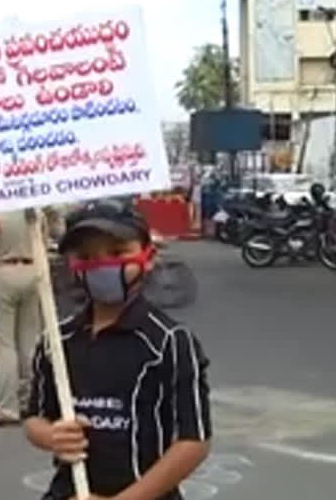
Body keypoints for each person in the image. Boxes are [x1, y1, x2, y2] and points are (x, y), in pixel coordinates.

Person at [22, 199, 212, 500]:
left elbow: (193, 441)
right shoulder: (57, 342)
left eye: (117, 252)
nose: (102, 265)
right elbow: (35, 417)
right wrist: (51, 435)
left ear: (148, 256)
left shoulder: (169, 342)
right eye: (86, 256)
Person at [0, 208, 48, 425]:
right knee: (30, 340)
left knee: (4, 344)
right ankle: (31, 400)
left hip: (2, 273)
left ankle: (6, 406)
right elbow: (43, 242)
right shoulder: (34, 211)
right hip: (32, 271)